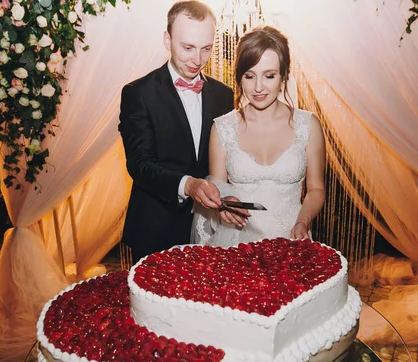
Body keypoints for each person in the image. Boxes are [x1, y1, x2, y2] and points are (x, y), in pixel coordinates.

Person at [119, 1, 234, 261]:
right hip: (156, 230)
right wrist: (188, 185)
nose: (198, 59)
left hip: (211, 231)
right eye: (188, 47)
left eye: (206, 49)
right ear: (167, 39)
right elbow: (139, 164)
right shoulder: (138, 93)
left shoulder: (224, 95)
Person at [192, 26, 326, 246]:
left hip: (292, 239)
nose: (258, 87)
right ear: (240, 78)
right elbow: (219, 187)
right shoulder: (222, 128)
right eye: (249, 76)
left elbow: (316, 189)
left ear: (283, 76)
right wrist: (224, 205)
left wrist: (303, 222)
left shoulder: (308, 125)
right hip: (237, 243)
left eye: (269, 76)